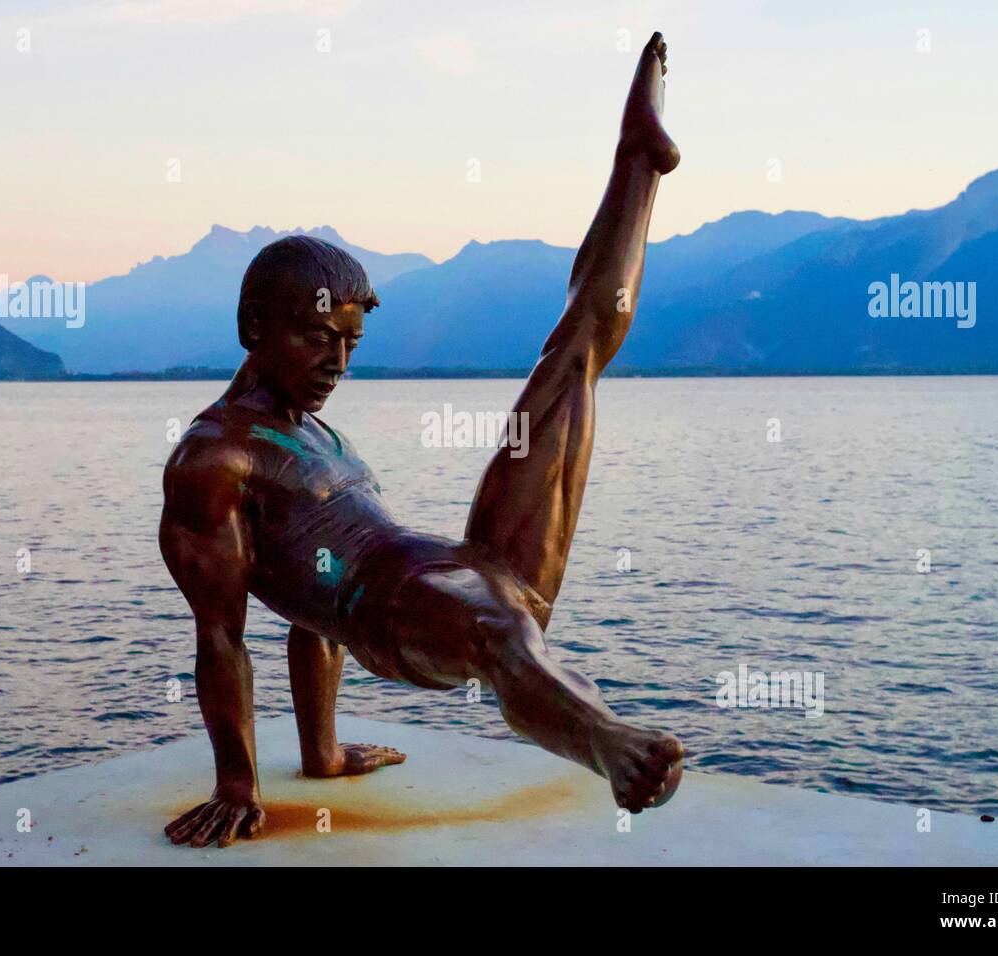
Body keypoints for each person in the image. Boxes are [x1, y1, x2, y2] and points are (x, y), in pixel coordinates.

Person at [160, 32, 683, 848]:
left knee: (572, 355)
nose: (336, 362)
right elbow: (224, 634)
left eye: (349, 345)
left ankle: (634, 168)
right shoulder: (212, 460)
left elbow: (307, 620)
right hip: (394, 607)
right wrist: (238, 782)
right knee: (501, 634)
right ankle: (610, 742)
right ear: (253, 326)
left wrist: (323, 754)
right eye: (315, 338)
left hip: (456, 562)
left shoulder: (316, 433)